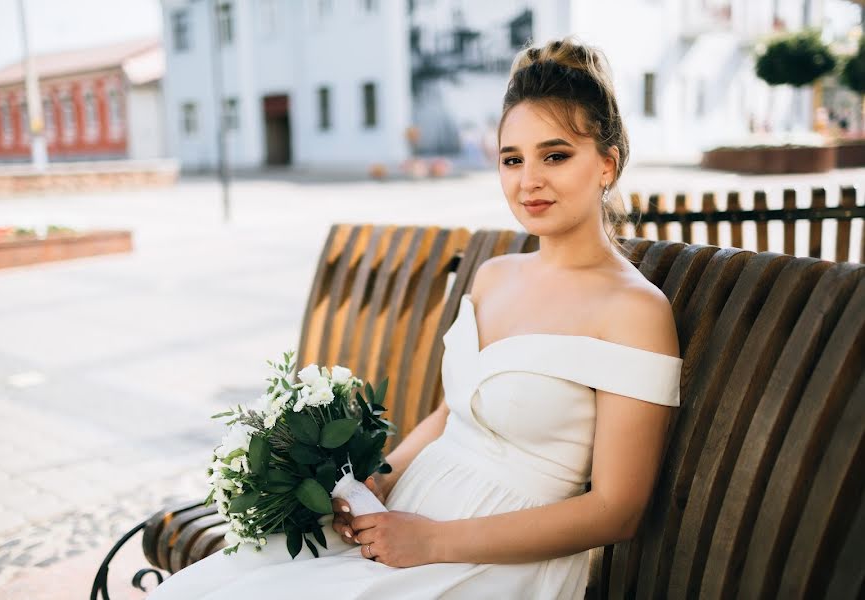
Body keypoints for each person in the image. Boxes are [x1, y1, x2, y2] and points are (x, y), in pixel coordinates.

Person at [147, 37, 682, 600]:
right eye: (511, 159)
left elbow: (615, 510)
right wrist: (376, 480)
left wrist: (433, 543)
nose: (529, 181)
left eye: (555, 156)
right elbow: (451, 413)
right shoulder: (496, 275)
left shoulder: (633, 311)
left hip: (497, 554)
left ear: (607, 163)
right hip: (411, 515)